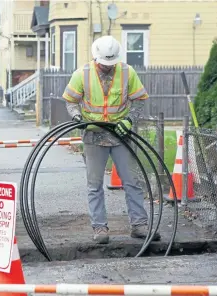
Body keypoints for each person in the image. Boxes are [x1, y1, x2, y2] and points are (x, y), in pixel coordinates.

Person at [62, 35, 161, 244]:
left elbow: (139, 100)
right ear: (95, 57)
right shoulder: (82, 74)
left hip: (121, 134)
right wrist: (78, 118)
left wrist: (129, 120)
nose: (107, 67)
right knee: (94, 184)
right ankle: (100, 228)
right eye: (104, 64)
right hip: (93, 134)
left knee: (132, 181)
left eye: (111, 63)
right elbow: (70, 101)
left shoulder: (127, 72)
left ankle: (139, 225)